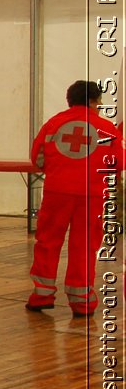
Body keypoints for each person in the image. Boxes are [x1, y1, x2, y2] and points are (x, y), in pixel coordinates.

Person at [28, 80, 120, 316]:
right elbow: (119, 162)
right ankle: (82, 301)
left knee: (47, 241)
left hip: (56, 193)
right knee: (85, 246)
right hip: (92, 196)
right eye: (98, 101)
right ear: (91, 101)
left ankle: (42, 294)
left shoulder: (54, 124)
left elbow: (37, 158)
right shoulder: (106, 128)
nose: (100, 105)